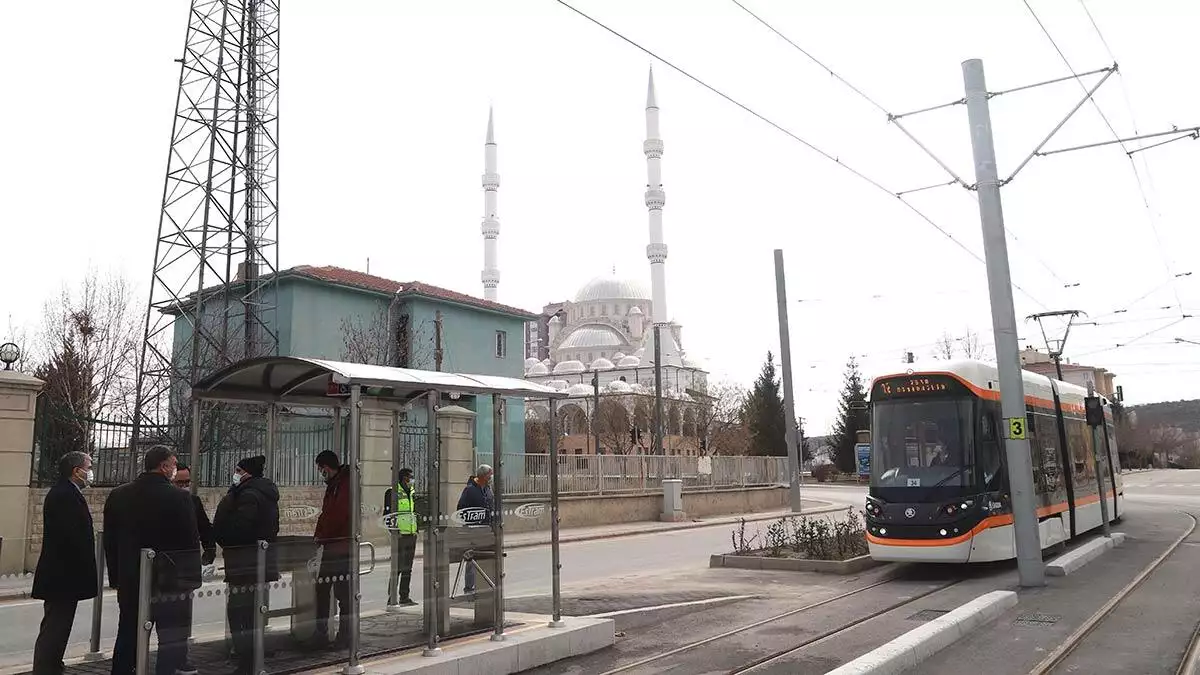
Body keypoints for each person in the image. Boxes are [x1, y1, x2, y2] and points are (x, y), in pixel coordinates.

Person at [105, 446, 202, 675]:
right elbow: (189, 542)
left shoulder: (119, 495)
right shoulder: (179, 497)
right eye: (173, 464)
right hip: (169, 580)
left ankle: (122, 670)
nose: (175, 469)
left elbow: (110, 541)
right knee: (170, 635)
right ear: (163, 466)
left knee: (129, 631)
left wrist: (116, 576)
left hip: (131, 577)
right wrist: (191, 579)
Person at [31, 452, 97, 675]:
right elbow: (69, 536)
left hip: (63, 575)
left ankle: (51, 666)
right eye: (88, 467)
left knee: (58, 625)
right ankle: (46, 669)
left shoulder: (67, 492)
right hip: (62, 575)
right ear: (76, 470)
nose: (89, 472)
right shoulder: (63, 495)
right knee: (56, 627)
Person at [213, 456, 280, 675]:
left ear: (247, 473)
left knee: (239, 613)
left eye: (238, 470)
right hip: (258, 563)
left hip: (245, 564)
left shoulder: (248, 495)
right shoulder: (265, 493)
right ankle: (252, 658)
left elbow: (239, 531)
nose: (235, 473)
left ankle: (247, 660)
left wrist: (223, 535)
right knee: (252, 613)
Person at [311, 450, 350, 650]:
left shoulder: (344, 485)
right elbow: (326, 513)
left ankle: (345, 635)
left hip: (341, 546)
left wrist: (322, 535)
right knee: (322, 589)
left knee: (343, 594)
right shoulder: (334, 486)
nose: (320, 472)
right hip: (331, 545)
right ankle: (320, 632)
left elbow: (337, 515)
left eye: (320, 468)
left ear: (326, 467)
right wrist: (318, 534)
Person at [456, 464, 494, 595]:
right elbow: (461, 509)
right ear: (483, 476)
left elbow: (491, 506)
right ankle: (469, 587)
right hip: (473, 529)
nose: (491, 477)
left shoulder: (488, 489)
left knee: (485, 557)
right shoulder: (470, 490)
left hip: (486, 528)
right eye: (490, 474)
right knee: (472, 558)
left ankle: (483, 585)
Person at [383, 468, 418, 606]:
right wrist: (394, 531)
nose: (412, 479)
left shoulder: (411, 492)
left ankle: (404, 596)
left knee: (407, 568)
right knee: (397, 567)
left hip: (411, 534)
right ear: (404, 478)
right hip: (400, 536)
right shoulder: (392, 492)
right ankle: (392, 597)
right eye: (411, 477)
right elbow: (387, 516)